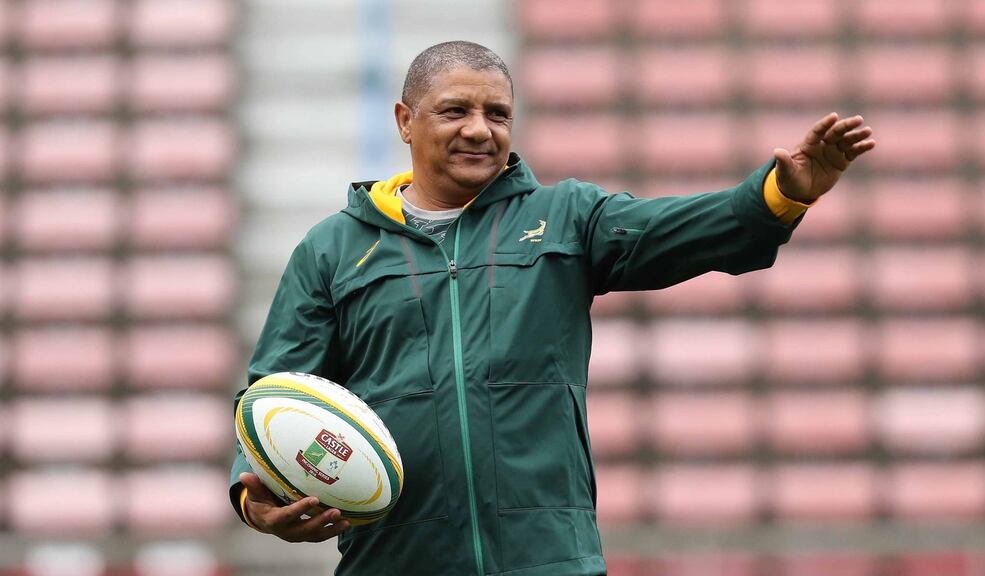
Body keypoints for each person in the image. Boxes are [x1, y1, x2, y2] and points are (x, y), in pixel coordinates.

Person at [229, 41, 875, 575]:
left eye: (498, 113)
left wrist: (776, 195)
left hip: (547, 559)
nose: (480, 129)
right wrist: (257, 500)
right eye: (455, 111)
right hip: (395, 560)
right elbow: (273, 392)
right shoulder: (333, 249)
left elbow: (676, 230)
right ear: (405, 120)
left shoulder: (564, 216)